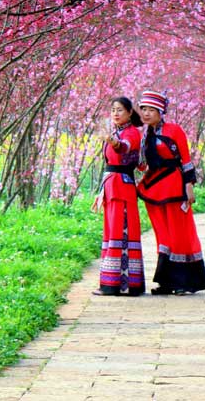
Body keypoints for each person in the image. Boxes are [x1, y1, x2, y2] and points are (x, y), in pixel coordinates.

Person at [136, 90, 205, 295]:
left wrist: (189, 186)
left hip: (174, 186)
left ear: (161, 111)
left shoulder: (174, 130)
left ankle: (184, 281)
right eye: (143, 109)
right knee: (163, 234)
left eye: (151, 109)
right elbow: (143, 165)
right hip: (153, 188)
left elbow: (185, 159)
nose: (146, 113)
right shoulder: (145, 135)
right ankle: (167, 281)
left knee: (179, 232)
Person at [91, 97, 145, 296]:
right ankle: (111, 282)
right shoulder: (116, 132)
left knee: (121, 233)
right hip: (111, 186)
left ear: (130, 112)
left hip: (122, 188)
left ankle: (120, 284)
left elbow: (124, 148)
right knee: (111, 233)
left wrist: (112, 141)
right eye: (113, 110)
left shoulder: (132, 134)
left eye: (120, 110)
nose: (115, 113)